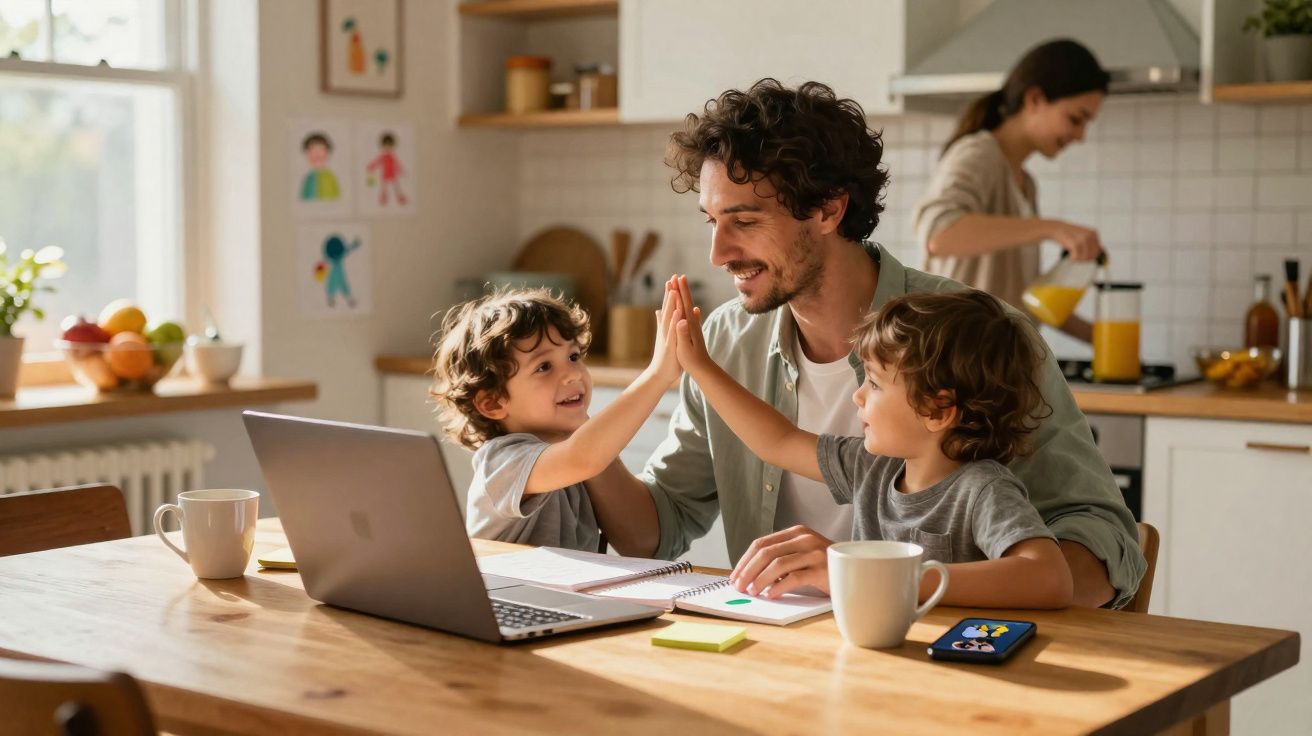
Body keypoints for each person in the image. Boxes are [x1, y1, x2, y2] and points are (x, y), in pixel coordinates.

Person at [588, 78, 1143, 608]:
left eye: (746, 221)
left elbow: (1104, 543)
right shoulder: (724, 343)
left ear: (830, 209)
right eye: (711, 221)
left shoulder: (977, 337)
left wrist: (896, 582)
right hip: (778, 645)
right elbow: (652, 532)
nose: (717, 254)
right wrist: (576, 439)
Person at [671, 282, 1073, 608]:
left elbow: (1050, 577)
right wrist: (700, 367)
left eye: (875, 383)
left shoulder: (983, 489)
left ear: (937, 410)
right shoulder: (872, 467)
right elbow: (778, 441)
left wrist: (879, 576)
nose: (858, 396)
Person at [430, 286, 680, 552]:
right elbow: (584, 457)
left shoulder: (574, 459)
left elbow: (637, 535)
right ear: (493, 403)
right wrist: (658, 375)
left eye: (573, 356)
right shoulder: (502, 463)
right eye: (544, 367)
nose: (573, 374)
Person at [915, 39, 1109, 342]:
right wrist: (1052, 228)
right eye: (1075, 119)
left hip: (993, 360)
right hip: (955, 359)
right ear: (1035, 99)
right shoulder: (979, 154)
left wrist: (1103, 338)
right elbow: (939, 235)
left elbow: (1022, 299)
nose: (1081, 135)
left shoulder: (1025, 184)